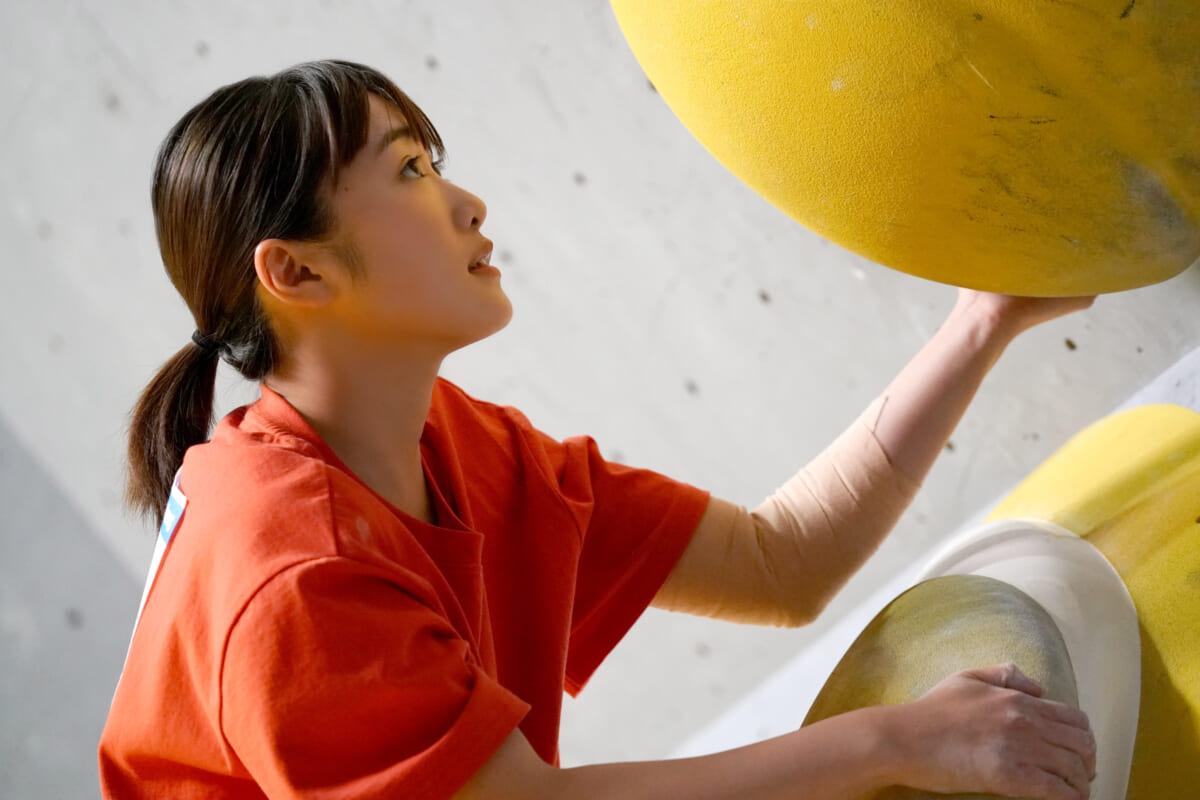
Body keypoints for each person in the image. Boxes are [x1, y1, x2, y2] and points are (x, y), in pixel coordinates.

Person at [98, 59, 1097, 800]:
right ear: (298, 273)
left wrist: (984, 317)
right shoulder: (292, 574)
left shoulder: (450, 441)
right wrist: (895, 740)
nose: (466, 200)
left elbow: (781, 560)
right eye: (408, 171)